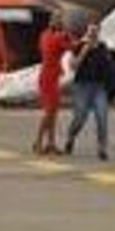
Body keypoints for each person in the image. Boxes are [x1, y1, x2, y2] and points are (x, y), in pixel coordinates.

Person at [65, 23, 115, 161]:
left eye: (95, 31)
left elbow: (108, 67)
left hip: (99, 87)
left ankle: (102, 148)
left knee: (102, 117)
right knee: (80, 117)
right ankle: (71, 137)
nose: (93, 34)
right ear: (87, 32)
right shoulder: (79, 46)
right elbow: (72, 66)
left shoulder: (102, 48)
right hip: (82, 86)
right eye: (91, 31)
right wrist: (84, 50)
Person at [32, 14, 75, 155]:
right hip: (49, 77)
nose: (60, 23)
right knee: (50, 112)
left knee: (53, 113)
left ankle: (51, 143)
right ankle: (38, 142)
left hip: (48, 75)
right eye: (58, 21)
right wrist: (70, 35)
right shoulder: (59, 37)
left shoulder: (44, 35)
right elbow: (73, 47)